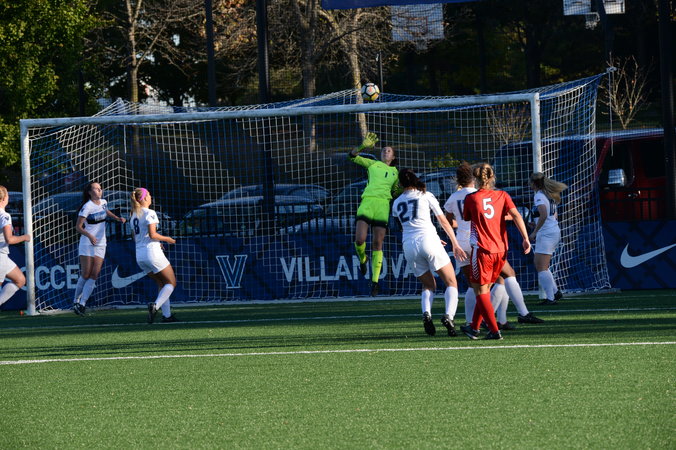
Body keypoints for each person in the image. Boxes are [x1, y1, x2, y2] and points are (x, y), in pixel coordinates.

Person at [459, 163, 531, 340]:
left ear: (475, 178)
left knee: (479, 290)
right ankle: (474, 327)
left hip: (482, 250)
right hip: (501, 250)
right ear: (492, 177)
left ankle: (494, 330)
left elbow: (467, 218)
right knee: (485, 289)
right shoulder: (502, 195)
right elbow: (516, 215)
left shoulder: (471, 198)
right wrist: (526, 238)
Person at [392, 169, 467, 336]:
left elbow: (405, 226)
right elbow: (443, 222)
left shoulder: (397, 203)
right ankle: (449, 316)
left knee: (428, 285)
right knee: (451, 282)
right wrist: (455, 244)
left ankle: (427, 313)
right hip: (428, 240)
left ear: (401, 184)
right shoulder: (426, 195)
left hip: (409, 245)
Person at [349, 132, 400, 296]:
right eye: (384, 150)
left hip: (383, 206)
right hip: (368, 203)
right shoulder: (373, 164)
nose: (385, 152)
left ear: (393, 157)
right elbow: (352, 156)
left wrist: (400, 190)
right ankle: (363, 259)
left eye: (389, 151)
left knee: (378, 243)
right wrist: (362, 146)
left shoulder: (396, 173)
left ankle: (375, 281)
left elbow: (395, 192)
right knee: (360, 239)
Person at [73, 182, 126, 315]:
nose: (100, 191)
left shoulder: (103, 202)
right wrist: (90, 235)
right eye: (96, 189)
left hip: (101, 243)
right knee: (86, 273)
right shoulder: (87, 207)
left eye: (100, 188)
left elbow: (106, 211)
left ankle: (82, 304)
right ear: (90, 192)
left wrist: (117, 218)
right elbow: (78, 227)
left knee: (94, 274)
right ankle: (75, 301)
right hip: (87, 242)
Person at [130, 187, 178, 323]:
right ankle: (155, 306)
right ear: (145, 198)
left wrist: (157, 242)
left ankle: (167, 316)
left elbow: (135, 237)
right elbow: (152, 234)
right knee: (171, 283)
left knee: (161, 283)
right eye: (149, 195)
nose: (151, 197)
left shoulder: (133, 215)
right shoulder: (150, 212)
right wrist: (167, 239)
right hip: (152, 253)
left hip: (140, 256)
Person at [529, 172, 567, 305]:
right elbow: (552, 215)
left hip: (547, 234)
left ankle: (551, 298)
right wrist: (536, 224)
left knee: (540, 266)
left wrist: (534, 232)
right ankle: (555, 292)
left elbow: (544, 214)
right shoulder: (548, 194)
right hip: (552, 231)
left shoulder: (539, 196)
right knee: (543, 266)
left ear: (534, 183)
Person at [0, 187, 30, 308]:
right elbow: (9, 239)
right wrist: (25, 237)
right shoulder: (4, 216)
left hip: (3, 256)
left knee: (20, 280)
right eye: (7, 195)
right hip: (0, 256)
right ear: (4, 198)